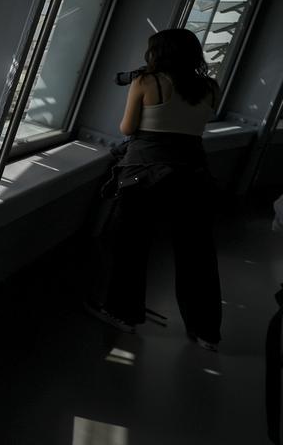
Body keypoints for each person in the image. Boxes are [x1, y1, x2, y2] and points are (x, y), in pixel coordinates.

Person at [89, 28, 223, 350]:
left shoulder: (147, 82)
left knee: (130, 245)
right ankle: (204, 331)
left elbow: (127, 128)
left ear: (158, 54)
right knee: (196, 253)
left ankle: (124, 314)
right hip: (192, 172)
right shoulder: (209, 86)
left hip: (145, 173)